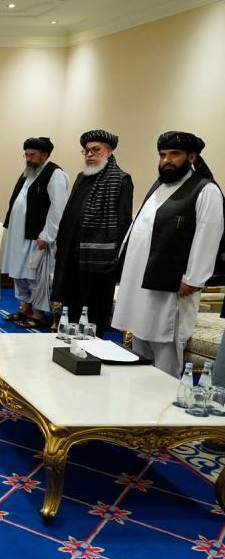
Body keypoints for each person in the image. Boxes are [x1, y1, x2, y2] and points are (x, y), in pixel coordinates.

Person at [112, 131, 223, 377]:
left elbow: (208, 236)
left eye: (175, 154)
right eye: (163, 155)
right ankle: (138, 398)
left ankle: (162, 402)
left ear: (192, 157)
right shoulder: (160, 185)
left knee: (165, 345)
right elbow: (139, 226)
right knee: (140, 340)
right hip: (142, 282)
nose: (167, 161)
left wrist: (193, 279)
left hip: (173, 286)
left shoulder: (206, 190)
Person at [51, 130, 133, 336]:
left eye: (95, 150)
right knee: (71, 303)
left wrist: (115, 255)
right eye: (86, 151)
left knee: (92, 308)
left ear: (109, 151)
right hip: (72, 253)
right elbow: (69, 212)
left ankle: (90, 348)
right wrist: (61, 241)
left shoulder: (121, 180)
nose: (89, 155)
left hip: (99, 258)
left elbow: (123, 222)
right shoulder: (82, 177)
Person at [1, 137, 69, 329]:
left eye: (32, 155)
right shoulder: (28, 173)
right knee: (19, 273)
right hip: (19, 235)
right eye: (26, 154)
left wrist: (47, 235)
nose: (28, 158)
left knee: (35, 275)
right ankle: (25, 308)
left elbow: (58, 208)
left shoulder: (55, 174)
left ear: (44, 155)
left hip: (37, 236)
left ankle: (39, 314)